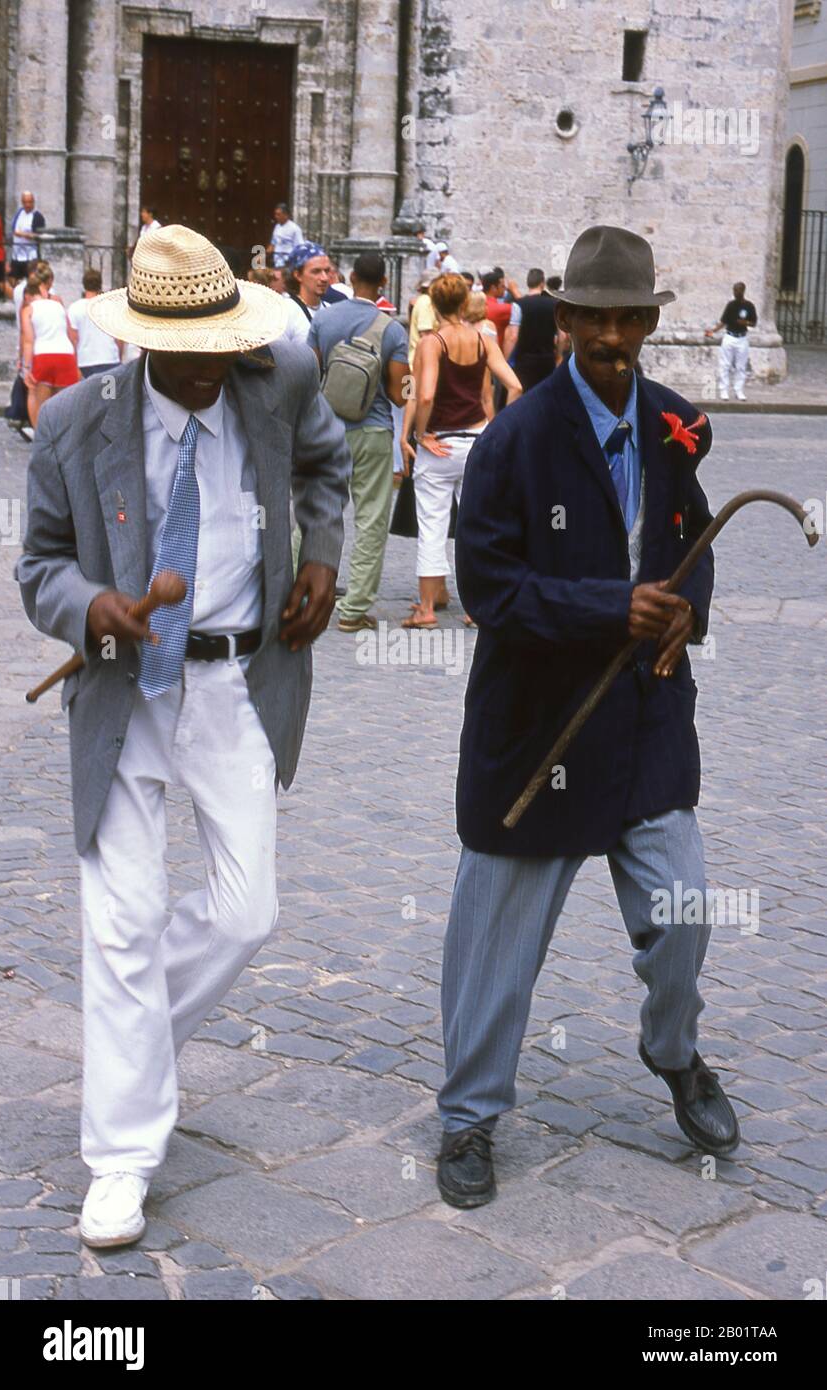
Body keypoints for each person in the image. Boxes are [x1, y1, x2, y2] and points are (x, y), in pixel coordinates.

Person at [16, 224, 351, 1249]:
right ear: (144, 339)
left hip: (237, 681)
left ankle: (131, 1048)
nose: (210, 365)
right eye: (188, 349)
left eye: (222, 342)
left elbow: (328, 468)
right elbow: (38, 566)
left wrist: (324, 560)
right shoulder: (76, 422)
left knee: (248, 910)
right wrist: (90, 606)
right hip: (122, 692)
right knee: (121, 922)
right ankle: (120, 1160)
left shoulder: (280, 376)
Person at [435, 225, 738, 1210]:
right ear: (563, 322)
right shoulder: (515, 441)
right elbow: (488, 586)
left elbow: (693, 550)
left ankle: (676, 1053)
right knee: (495, 948)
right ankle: (469, 1118)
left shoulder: (675, 426)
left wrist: (685, 611)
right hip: (539, 735)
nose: (612, 335)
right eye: (594, 317)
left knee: (683, 910)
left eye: (629, 318)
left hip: (645, 731)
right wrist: (614, 608)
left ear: (650, 323)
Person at [400, 272, 521, 631]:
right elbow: (513, 385)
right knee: (478, 525)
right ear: (465, 302)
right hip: (476, 442)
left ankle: (426, 608)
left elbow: (425, 393)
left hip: (441, 443)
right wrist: (496, 429)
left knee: (433, 524)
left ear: (433, 304)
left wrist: (421, 434)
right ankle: (476, 606)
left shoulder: (432, 342)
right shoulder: (483, 339)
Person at [308, 249, 409, 633]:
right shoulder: (392, 329)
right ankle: (353, 609)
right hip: (372, 430)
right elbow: (401, 394)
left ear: (349, 279)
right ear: (383, 282)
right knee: (370, 519)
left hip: (326, 430)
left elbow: (309, 371)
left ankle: (302, 594)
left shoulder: (324, 319)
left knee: (317, 514)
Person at [20, 272, 80, 426]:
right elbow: (71, 336)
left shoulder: (28, 310)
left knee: (36, 396)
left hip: (43, 355)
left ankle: (39, 436)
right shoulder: (58, 305)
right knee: (65, 405)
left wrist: (26, 368)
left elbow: (28, 341)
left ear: (28, 295)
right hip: (66, 355)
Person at [504, 267, 559, 391]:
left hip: (525, 360)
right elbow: (563, 336)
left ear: (528, 283)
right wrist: (559, 355)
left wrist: (505, 361)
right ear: (542, 283)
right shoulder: (554, 305)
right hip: (547, 359)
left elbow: (513, 336)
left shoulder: (519, 305)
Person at [705, 282, 757, 401]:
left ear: (743, 291)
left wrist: (746, 323)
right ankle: (724, 390)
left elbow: (754, 322)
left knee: (741, 366)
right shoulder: (731, 305)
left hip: (742, 338)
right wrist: (713, 331)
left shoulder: (749, 306)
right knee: (725, 364)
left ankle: (739, 390)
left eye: (738, 290)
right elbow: (724, 322)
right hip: (729, 337)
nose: (736, 293)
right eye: (734, 290)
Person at [68, 269, 123, 378]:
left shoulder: (74, 308)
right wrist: (119, 355)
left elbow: (73, 339)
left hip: (85, 361)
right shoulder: (111, 306)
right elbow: (119, 337)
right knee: (109, 394)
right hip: (109, 358)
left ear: (84, 285)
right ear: (100, 284)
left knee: (87, 394)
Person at [284, 242, 333, 323]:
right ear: (298, 275)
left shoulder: (330, 310)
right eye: (316, 271)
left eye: (327, 271)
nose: (325, 278)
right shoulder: (286, 313)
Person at [9, 190, 45, 281]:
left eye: (30, 202)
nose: (27, 205)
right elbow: (13, 229)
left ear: (33, 202)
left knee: (30, 280)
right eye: (25, 202)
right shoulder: (19, 213)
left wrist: (23, 234)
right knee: (13, 280)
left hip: (30, 256)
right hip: (17, 255)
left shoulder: (37, 216)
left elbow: (39, 236)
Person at [482, 267, 511, 350]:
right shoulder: (504, 309)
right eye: (502, 286)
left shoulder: (471, 304)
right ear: (493, 288)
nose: (505, 288)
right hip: (495, 351)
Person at [268, 202, 304, 268]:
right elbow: (273, 244)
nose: (276, 217)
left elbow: (300, 247)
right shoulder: (277, 227)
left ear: (286, 215)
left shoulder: (295, 228)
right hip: (277, 262)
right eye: (275, 214)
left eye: (278, 214)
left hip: (288, 262)